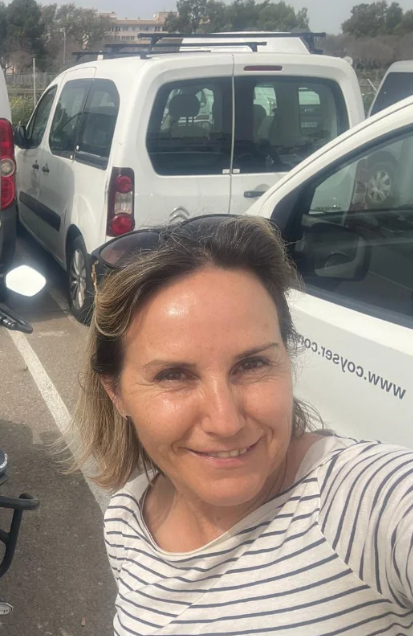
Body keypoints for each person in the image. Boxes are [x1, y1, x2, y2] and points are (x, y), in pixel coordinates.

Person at [73, 215, 413, 635]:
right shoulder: (127, 520)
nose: (226, 420)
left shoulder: (365, 502)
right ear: (116, 393)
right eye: (174, 375)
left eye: (252, 364)